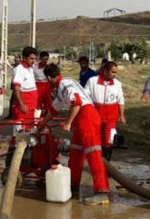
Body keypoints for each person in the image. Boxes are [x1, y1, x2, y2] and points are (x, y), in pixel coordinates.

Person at [44, 63, 110, 205]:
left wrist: (68, 123)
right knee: (75, 154)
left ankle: (102, 192)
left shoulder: (65, 84)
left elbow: (77, 103)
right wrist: (40, 125)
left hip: (87, 117)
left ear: (49, 78)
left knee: (94, 155)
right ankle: (72, 185)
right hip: (81, 120)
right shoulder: (62, 88)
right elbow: (53, 110)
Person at [85, 61, 125, 161]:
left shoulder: (118, 84)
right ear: (105, 71)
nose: (115, 74)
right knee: (95, 140)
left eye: (116, 72)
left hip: (111, 118)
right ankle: (96, 160)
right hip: (95, 116)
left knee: (109, 140)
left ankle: (106, 163)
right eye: (113, 72)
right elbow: (85, 97)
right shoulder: (92, 81)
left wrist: (122, 115)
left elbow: (121, 99)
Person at [11, 47, 38, 131]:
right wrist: (21, 104)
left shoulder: (30, 68)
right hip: (23, 107)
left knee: (29, 129)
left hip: (31, 106)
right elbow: (16, 88)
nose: (33, 61)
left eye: (35, 58)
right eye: (31, 58)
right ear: (25, 58)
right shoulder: (19, 69)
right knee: (20, 132)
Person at [33, 51, 52, 115]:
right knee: (38, 100)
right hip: (38, 85)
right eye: (44, 59)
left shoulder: (49, 68)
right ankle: (38, 112)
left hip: (46, 85)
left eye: (46, 59)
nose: (45, 61)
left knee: (48, 100)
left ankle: (47, 114)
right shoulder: (35, 67)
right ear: (40, 59)